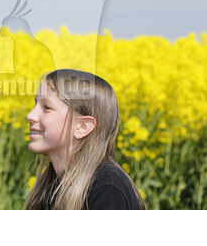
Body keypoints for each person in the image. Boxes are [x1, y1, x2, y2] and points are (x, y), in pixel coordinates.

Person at [25, 68, 146, 210]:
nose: (30, 115)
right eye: (35, 104)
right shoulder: (50, 187)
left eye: (46, 107)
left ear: (82, 127)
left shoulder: (108, 189)